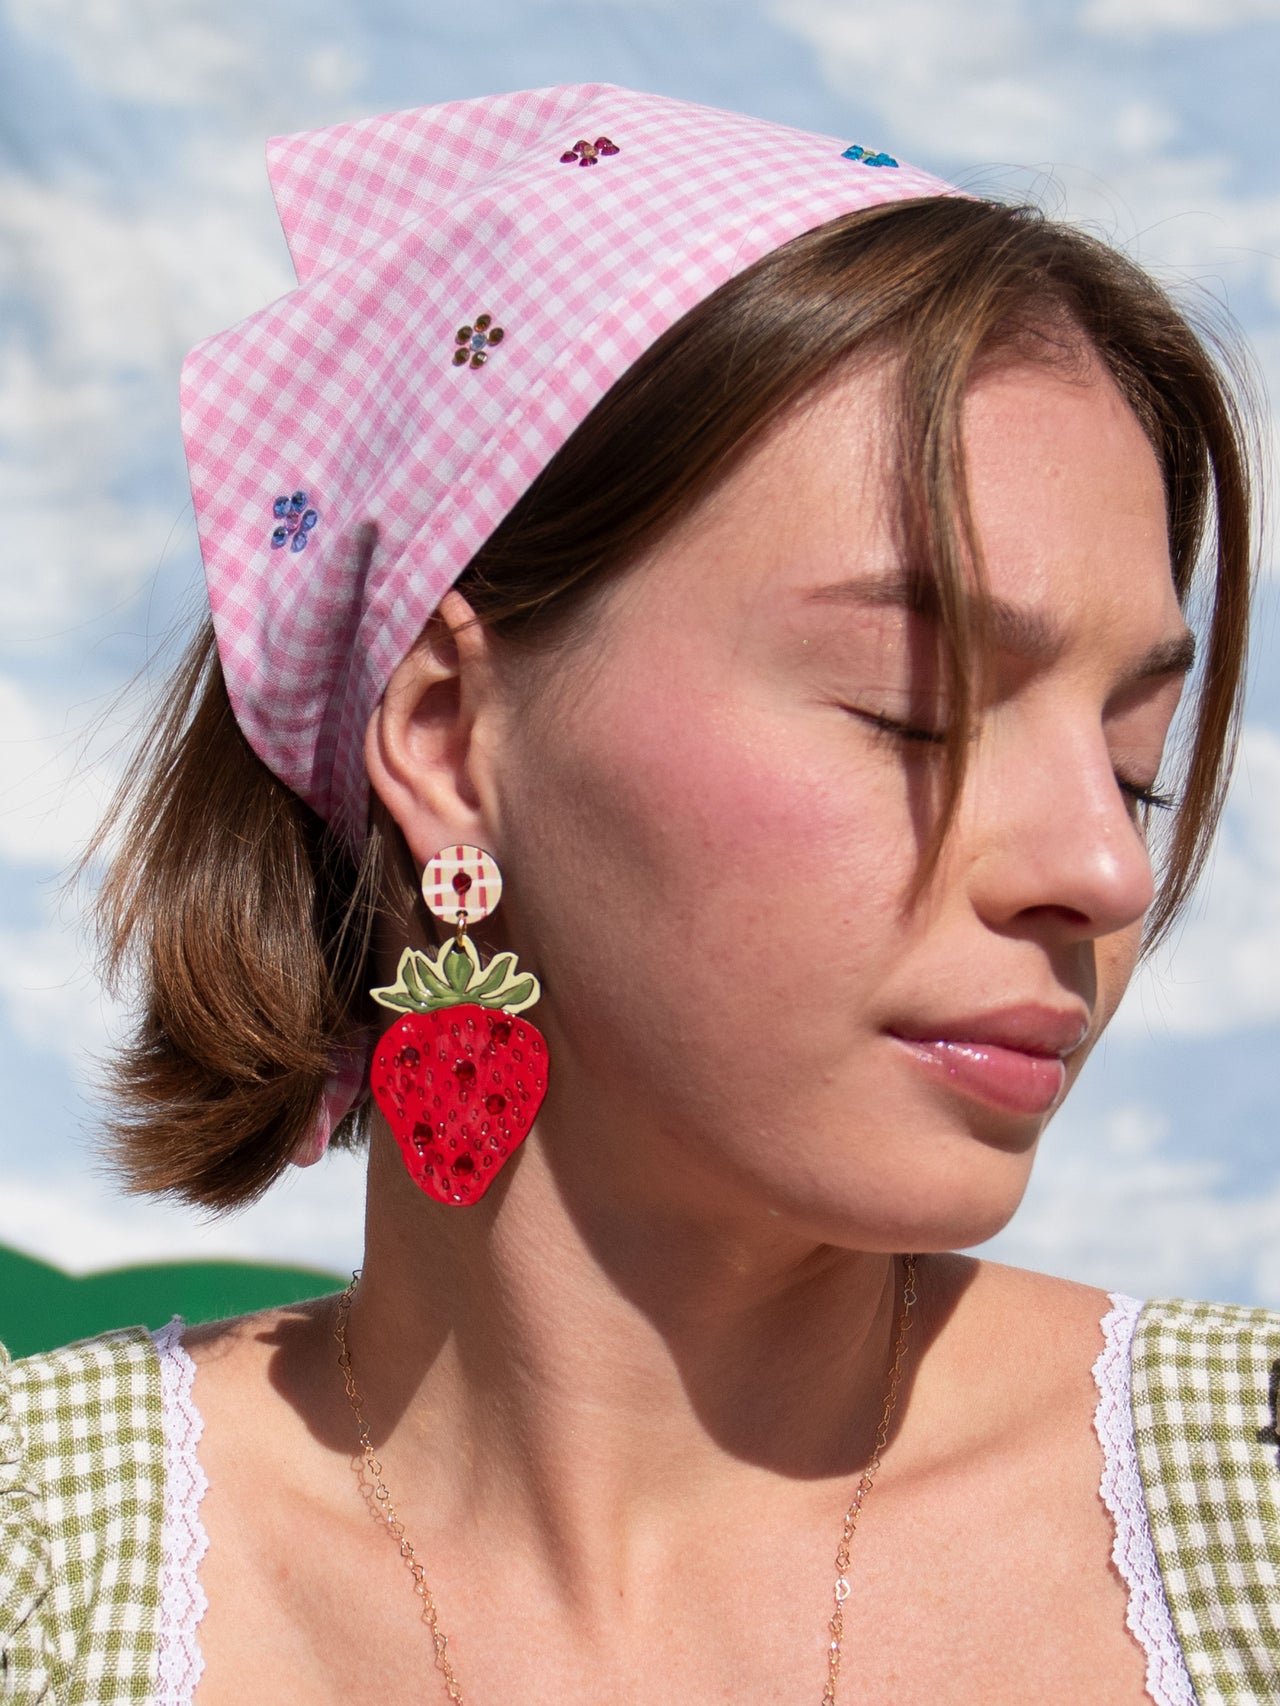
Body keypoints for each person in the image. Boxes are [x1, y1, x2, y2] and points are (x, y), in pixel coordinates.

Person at [1, 82, 1277, 1706]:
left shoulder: (1249, 1507)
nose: (1103, 868)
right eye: (914, 706)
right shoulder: (43, 1573)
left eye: (1136, 763)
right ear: (452, 739)